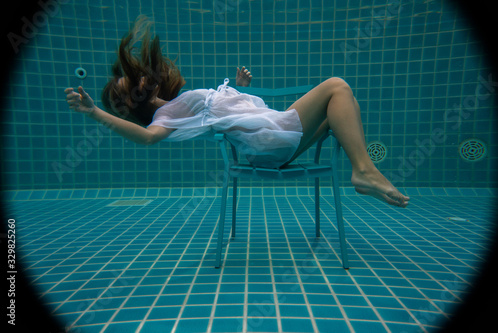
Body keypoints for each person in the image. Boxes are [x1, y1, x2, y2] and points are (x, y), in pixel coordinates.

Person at [65, 16, 409, 208]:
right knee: (337, 86)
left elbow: (231, 116)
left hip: (272, 145)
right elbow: (147, 139)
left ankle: (361, 173)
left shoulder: (176, 105)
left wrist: (239, 89)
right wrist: (96, 113)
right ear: (133, 101)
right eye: (128, 87)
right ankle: (363, 170)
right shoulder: (164, 117)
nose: (139, 78)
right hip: (271, 142)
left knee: (346, 107)